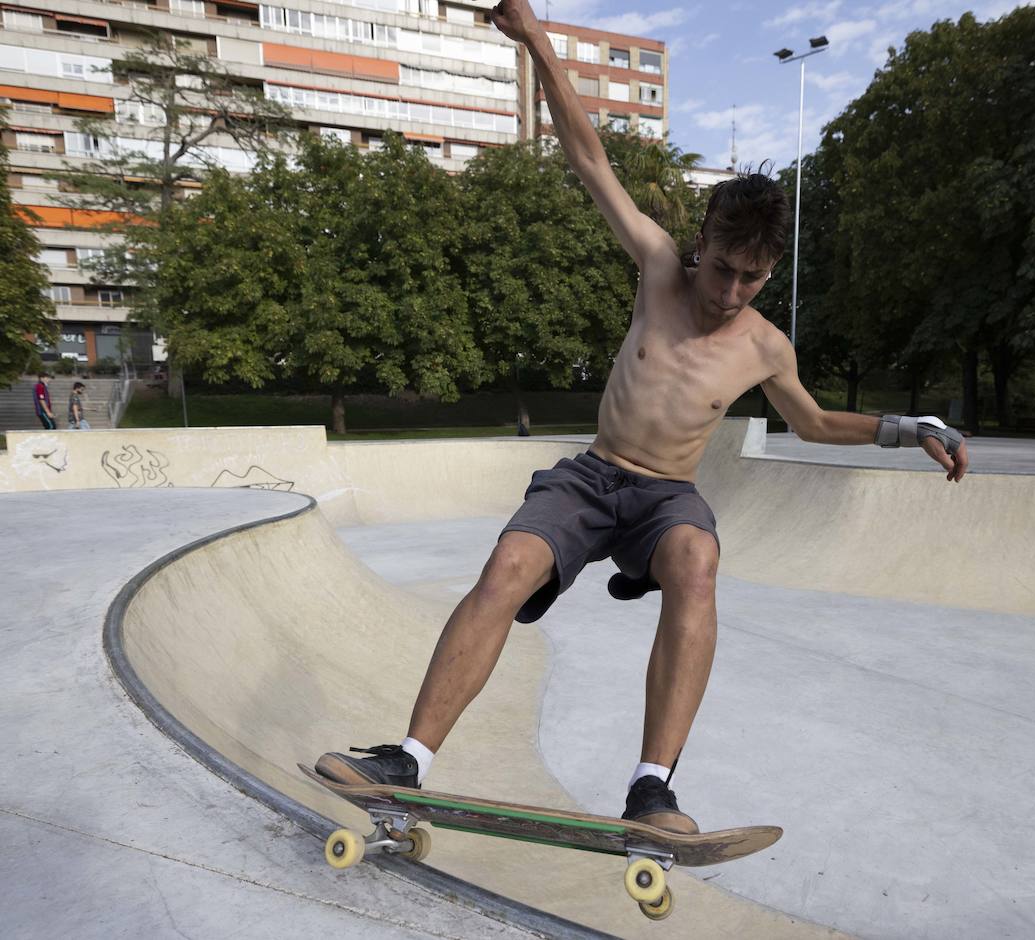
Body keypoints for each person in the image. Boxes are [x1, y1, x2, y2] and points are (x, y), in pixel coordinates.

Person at [315, 0, 970, 833]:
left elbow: (810, 424)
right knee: (508, 566)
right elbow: (588, 157)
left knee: (698, 559)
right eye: (724, 270)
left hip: (666, 499)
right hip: (591, 478)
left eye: (751, 282)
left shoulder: (766, 346)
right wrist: (537, 41)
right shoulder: (659, 265)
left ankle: (652, 788)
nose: (729, 294)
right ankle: (407, 759)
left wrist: (909, 428)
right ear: (704, 239)